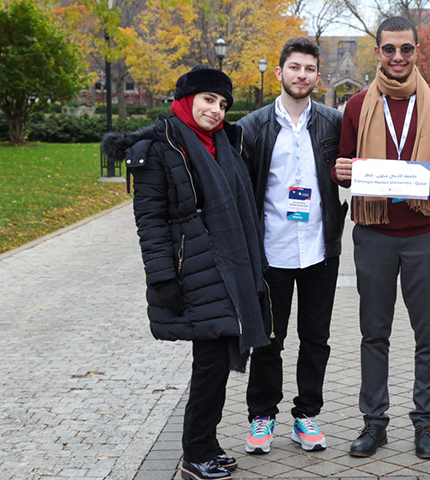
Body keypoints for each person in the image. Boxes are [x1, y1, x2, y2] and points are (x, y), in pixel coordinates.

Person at [102, 65, 272, 480]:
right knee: (210, 362)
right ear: (187, 97)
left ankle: (207, 443)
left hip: (229, 266)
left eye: (222, 104)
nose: (216, 110)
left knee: (214, 360)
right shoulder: (160, 146)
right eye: (209, 99)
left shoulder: (222, 144)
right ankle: (195, 453)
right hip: (192, 269)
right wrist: (161, 278)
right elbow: (150, 221)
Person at [332, 16, 430, 459]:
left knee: (427, 332)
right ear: (377, 52)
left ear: (417, 52)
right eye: (389, 49)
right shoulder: (356, 105)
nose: (398, 57)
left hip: (425, 233)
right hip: (372, 233)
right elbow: (343, 159)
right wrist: (340, 169)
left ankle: (424, 421)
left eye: (406, 49)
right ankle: (374, 423)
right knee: (374, 333)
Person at [237, 37, 346, 454]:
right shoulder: (253, 126)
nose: (302, 75)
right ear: (280, 72)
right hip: (272, 250)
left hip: (320, 248)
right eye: (295, 67)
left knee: (315, 337)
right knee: (268, 338)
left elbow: (352, 171)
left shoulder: (334, 123)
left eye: (310, 69)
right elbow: (241, 188)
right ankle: (261, 417)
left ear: (318, 76)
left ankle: (306, 416)